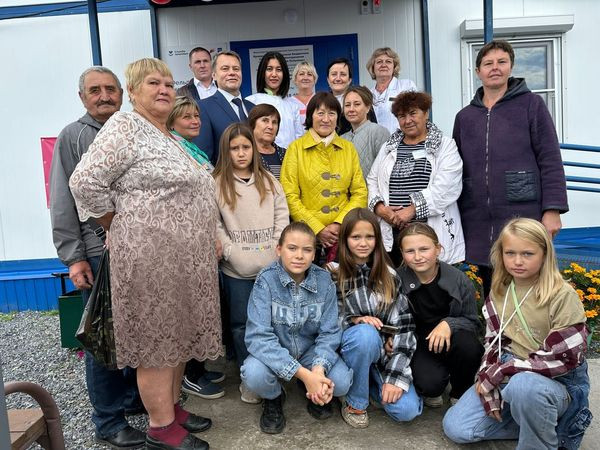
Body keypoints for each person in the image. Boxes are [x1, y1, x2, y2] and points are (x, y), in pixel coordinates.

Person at [70, 58, 222, 450]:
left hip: (186, 260)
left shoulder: (167, 134)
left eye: (169, 83)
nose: (164, 89)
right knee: (157, 343)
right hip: (150, 259)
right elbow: (84, 182)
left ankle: (171, 408)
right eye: (153, 83)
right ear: (133, 91)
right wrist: (114, 222)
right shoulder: (126, 125)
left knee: (178, 337)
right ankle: (161, 428)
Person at [49, 66, 145, 450]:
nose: (104, 96)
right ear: (82, 97)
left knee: (137, 331)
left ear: (122, 93)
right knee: (103, 337)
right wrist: (74, 258)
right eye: (95, 90)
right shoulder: (73, 137)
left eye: (110, 89)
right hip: (98, 251)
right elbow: (62, 200)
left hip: (139, 250)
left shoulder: (135, 130)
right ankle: (108, 420)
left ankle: (133, 398)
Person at [443, 218, 591, 449]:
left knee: (524, 386)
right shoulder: (500, 290)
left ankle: (544, 432)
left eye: (528, 254)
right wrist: (487, 377)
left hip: (556, 382)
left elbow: (565, 357)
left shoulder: (562, 295)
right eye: (510, 253)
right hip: (512, 372)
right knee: (457, 427)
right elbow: (493, 341)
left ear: (545, 254)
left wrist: (501, 371)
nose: (517, 261)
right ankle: (537, 420)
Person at [453, 40, 568, 294]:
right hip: (478, 218)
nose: (495, 67)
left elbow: (550, 159)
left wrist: (553, 209)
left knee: (529, 284)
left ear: (511, 67)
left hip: (523, 211)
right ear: (478, 71)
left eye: (501, 62)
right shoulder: (464, 117)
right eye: (488, 63)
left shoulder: (531, 105)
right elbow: (455, 168)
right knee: (491, 287)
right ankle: (495, 321)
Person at [241, 222, 353, 434]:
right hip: (276, 351)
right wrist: (304, 374)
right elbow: (258, 337)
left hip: (310, 352)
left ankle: (311, 389)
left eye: (307, 250)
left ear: (314, 254)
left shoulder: (324, 281)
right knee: (253, 374)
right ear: (279, 249)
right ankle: (274, 396)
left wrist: (318, 370)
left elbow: (330, 332)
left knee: (341, 383)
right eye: (292, 248)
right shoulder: (266, 280)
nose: (299, 256)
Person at [213, 123, 289, 403]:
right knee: (241, 325)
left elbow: (282, 216)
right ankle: (249, 378)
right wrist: (231, 251)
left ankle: (274, 371)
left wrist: (277, 249)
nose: (241, 153)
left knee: (273, 323)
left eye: (246, 147)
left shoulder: (269, 181)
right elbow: (215, 224)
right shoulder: (216, 183)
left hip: (271, 267)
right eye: (235, 148)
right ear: (226, 151)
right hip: (236, 271)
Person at [329, 208, 422, 428]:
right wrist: (354, 320)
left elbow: (405, 326)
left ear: (377, 239)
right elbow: (325, 323)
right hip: (347, 351)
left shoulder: (389, 276)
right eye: (356, 237)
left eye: (369, 237)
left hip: (381, 355)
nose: (363, 243)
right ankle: (355, 402)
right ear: (345, 240)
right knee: (365, 334)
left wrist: (395, 376)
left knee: (406, 410)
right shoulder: (332, 274)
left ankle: (371, 384)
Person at [367, 91, 464, 267]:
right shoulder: (388, 147)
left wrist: (411, 210)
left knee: (430, 278)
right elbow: (372, 180)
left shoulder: (445, 146)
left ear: (426, 113)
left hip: (429, 233)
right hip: (393, 235)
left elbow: (447, 186)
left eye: (413, 113)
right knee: (395, 279)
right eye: (401, 116)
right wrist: (381, 209)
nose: (407, 120)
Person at [397, 223, 483, 408]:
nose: (418, 256)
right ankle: (435, 382)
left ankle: (460, 391)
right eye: (410, 251)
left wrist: (449, 324)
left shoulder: (459, 279)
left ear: (438, 249)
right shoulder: (397, 280)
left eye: (424, 249)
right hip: (418, 342)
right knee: (430, 385)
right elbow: (390, 319)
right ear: (402, 253)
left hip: (453, 340)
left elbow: (473, 322)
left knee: (470, 347)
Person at [280, 92, 368, 264]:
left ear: (338, 118)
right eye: (320, 113)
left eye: (331, 113)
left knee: (344, 279)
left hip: (342, 234)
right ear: (310, 116)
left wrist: (339, 224)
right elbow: (289, 195)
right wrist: (317, 228)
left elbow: (360, 192)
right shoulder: (295, 149)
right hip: (306, 235)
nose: (326, 119)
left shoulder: (348, 149)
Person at [196, 50, 255, 164]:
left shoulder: (253, 107)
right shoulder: (203, 108)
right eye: (225, 68)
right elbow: (204, 156)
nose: (232, 73)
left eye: (236, 69)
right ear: (214, 75)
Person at [246, 51, 303, 148]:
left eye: (279, 70)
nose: (274, 74)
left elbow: (299, 140)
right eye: (269, 69)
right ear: (262, 73)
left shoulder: (293, 106)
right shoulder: (251, 101)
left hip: (290, 156)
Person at [341, 86, 390, 177]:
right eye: (347, 105)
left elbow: (387, 170)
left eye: (357, 104)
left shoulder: (378, 132)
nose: (351, 109)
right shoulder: (342, 138)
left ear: (368, 107)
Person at [366, 47, 417, 134]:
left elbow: (415, 115)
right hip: (377, 141)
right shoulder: (368, 94)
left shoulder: (406, 86)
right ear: (373, 67)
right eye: (379, 62)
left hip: (402, 139)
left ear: (394, 67)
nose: (383, 65)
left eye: (388, 61)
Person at [326, 57, 377, 135]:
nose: (338, 78)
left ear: (349, 80)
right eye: (334, 74)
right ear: (328, 79)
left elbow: (374, 129)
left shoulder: (361, 98)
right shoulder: (322, 102)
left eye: (343, 74)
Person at [168, 96, 213, 171]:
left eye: (196, 116)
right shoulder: (174, 149)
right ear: (170, 123)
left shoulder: (190, 147)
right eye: (187, 117)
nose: (195, 121)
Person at [248, 104, 286, 180]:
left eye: (274, 122)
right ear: (252, 124)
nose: (270, 126)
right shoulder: (245, 154)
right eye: (265, 121)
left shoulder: (286, 154)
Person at [284, 60, 317, 126]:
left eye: (309, 74)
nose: (305, 78)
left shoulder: (321, 100)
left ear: (314, 79)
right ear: (295, 79)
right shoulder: (288, 103)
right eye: (301, 74)